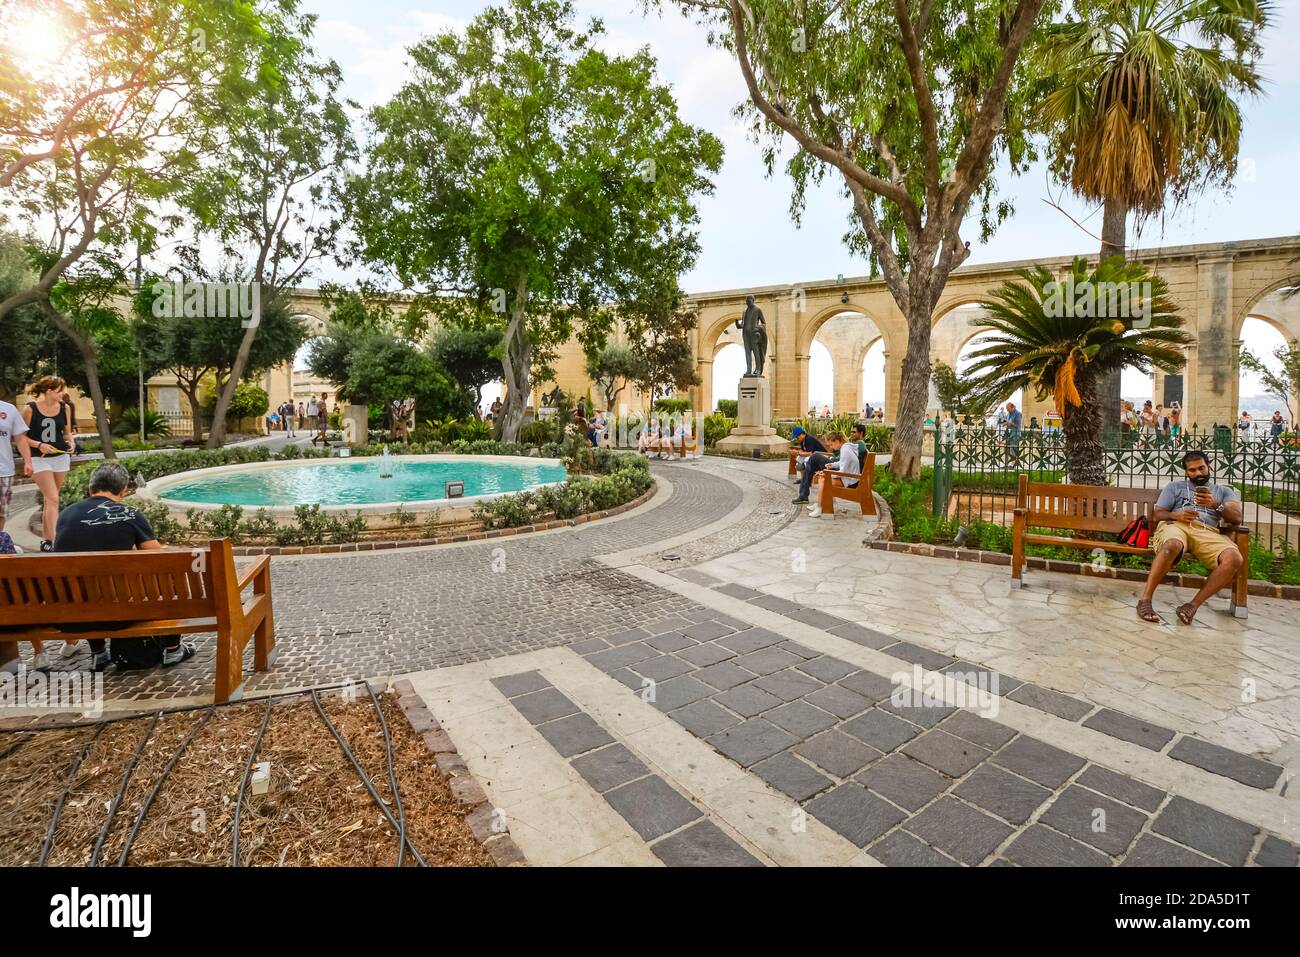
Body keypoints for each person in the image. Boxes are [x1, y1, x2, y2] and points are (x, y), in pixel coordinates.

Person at [42, 461, 197, 672]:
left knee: (84, 586)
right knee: (168, 575)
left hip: (72, 617)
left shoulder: (66, 515)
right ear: (123, 491)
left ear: (90, 488)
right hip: (121, 616)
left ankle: (99, 653)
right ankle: (173, 649)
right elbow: (159, 560)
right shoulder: (130, 514)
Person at [1136, 450, 1244, 625]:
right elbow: (1157, 515)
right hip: (1177, 526)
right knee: (1172, 545)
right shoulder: (1174, 487)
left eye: (1201, 468)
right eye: (1192, 470)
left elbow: (1237, 518)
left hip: (1207, 531)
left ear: (1209, 466)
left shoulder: (1223, 491)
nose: (1198, 473)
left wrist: (1215, 505)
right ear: (1186, 472)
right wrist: (1175, 515)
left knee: (1234, 558)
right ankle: (1145, 601)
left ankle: (1192, 606)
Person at [22, 376, 75, 553]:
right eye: (60, 390)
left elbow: (66, 433)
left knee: (50, 500)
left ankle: (46, 541)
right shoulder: (30, 409)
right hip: (39, 458)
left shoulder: (65, 408)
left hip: (60, 457)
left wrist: (72, 443)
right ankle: (55, 542)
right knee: (53, 499)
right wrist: (39, 445)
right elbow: (20, 437)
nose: (63, 393)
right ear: (49, 391)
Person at [806, 431, 860, 517]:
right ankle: (820, 504)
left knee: (823, 480)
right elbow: (842, 463)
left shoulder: (845, 450)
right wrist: (833, 465)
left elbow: (843, 472)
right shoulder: (846, 447)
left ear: (837, 441)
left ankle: (820, 507)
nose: (831, 447)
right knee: (822, 478)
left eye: (831, 444)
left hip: (850, 481)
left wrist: (828, 474)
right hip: (851, 478)